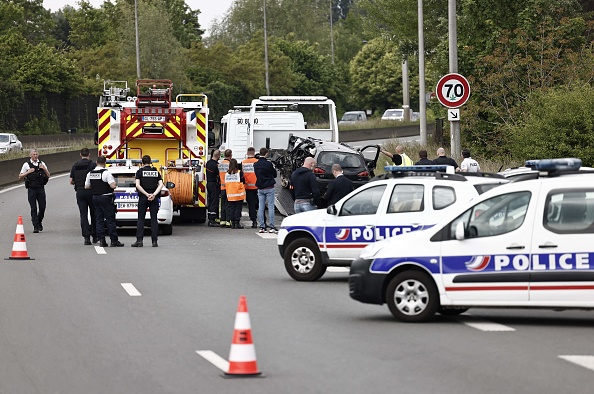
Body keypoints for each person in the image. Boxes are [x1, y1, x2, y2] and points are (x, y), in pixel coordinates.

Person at [85, 156, 124, 247]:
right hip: (106, 198)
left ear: (96, 162)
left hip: (95, 198)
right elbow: (113, 186)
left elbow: (86, 186)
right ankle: (114, 240)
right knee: (110, 219)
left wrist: (96, 187)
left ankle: (102, 240)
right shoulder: (106, 173)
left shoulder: (90, 173)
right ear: (105, 163)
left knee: (99, 220)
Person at [131, 155, 164, 247]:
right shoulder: (156, 172)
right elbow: (161, 185)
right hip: (154, 198)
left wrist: (146, 194)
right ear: (150, 162)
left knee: (141, 219)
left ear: (142, 163)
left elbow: (138, 185)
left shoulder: (139, 172)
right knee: (154, 219)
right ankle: (154, 241)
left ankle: (139, 241)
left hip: (143, 197)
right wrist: (153, 194)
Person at [69, 148, 97, 245]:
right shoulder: (93, 165)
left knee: (83, 215)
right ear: (89, 154)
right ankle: (95, 236)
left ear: (80, 155)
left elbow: (71, 181)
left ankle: (86, 237)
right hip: (91, 191)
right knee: (94, 214)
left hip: (80, 192)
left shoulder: (75, 166)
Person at [19, 149, 50, 233]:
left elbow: (48, 175)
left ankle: (39, 221)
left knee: (42, 207)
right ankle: (35, 226)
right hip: (31, 189)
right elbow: (20, 176)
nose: (35, 156)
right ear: (30, 156)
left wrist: (44, 169)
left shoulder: (42, 164)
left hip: (40, 188)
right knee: (33, 208)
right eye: (34, 154)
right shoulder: (26, 165)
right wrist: (28, 172)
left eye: (36, 154)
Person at [254, 147, 277, 233]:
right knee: (270, 206)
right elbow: (274, 175)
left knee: (261, 207)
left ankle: (262, 226)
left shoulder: (256, 165)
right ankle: (271, 226)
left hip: (260, 187)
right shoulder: (269, 164)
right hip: (269, 187)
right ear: (266, 153)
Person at [225, 158, 246, 229]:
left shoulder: (226, 174)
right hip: (238, 193)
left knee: (231, 209)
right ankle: (237, 223)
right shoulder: (239, 172)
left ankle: (233, 223)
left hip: (230, 194)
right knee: (238, 209)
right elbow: (243, 180)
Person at [242, 147, 259, 228]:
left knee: (251, 205)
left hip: (248, 187)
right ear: (254, 153)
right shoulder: (257, 161)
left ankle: (254, 221)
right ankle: (263, 221)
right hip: (258, 186)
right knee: (260, 205)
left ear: (247, 153)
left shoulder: (243, 162)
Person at [206, 149, 221, 227]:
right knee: (214, 202)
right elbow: (219, 174)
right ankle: (212, 220)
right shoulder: (216, 165)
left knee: (210, 200)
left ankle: (211, 218)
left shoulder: (208, 163)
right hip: (214, 184)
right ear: (218, 156)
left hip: (209, 183)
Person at [218, 149, 232, 228]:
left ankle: (222, 221)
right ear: (230, 155)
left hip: (222, 187)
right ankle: (228, 221)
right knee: (228, 205)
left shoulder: (220, 164)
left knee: (222, 205)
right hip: (229, 187)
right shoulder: (230, 164)